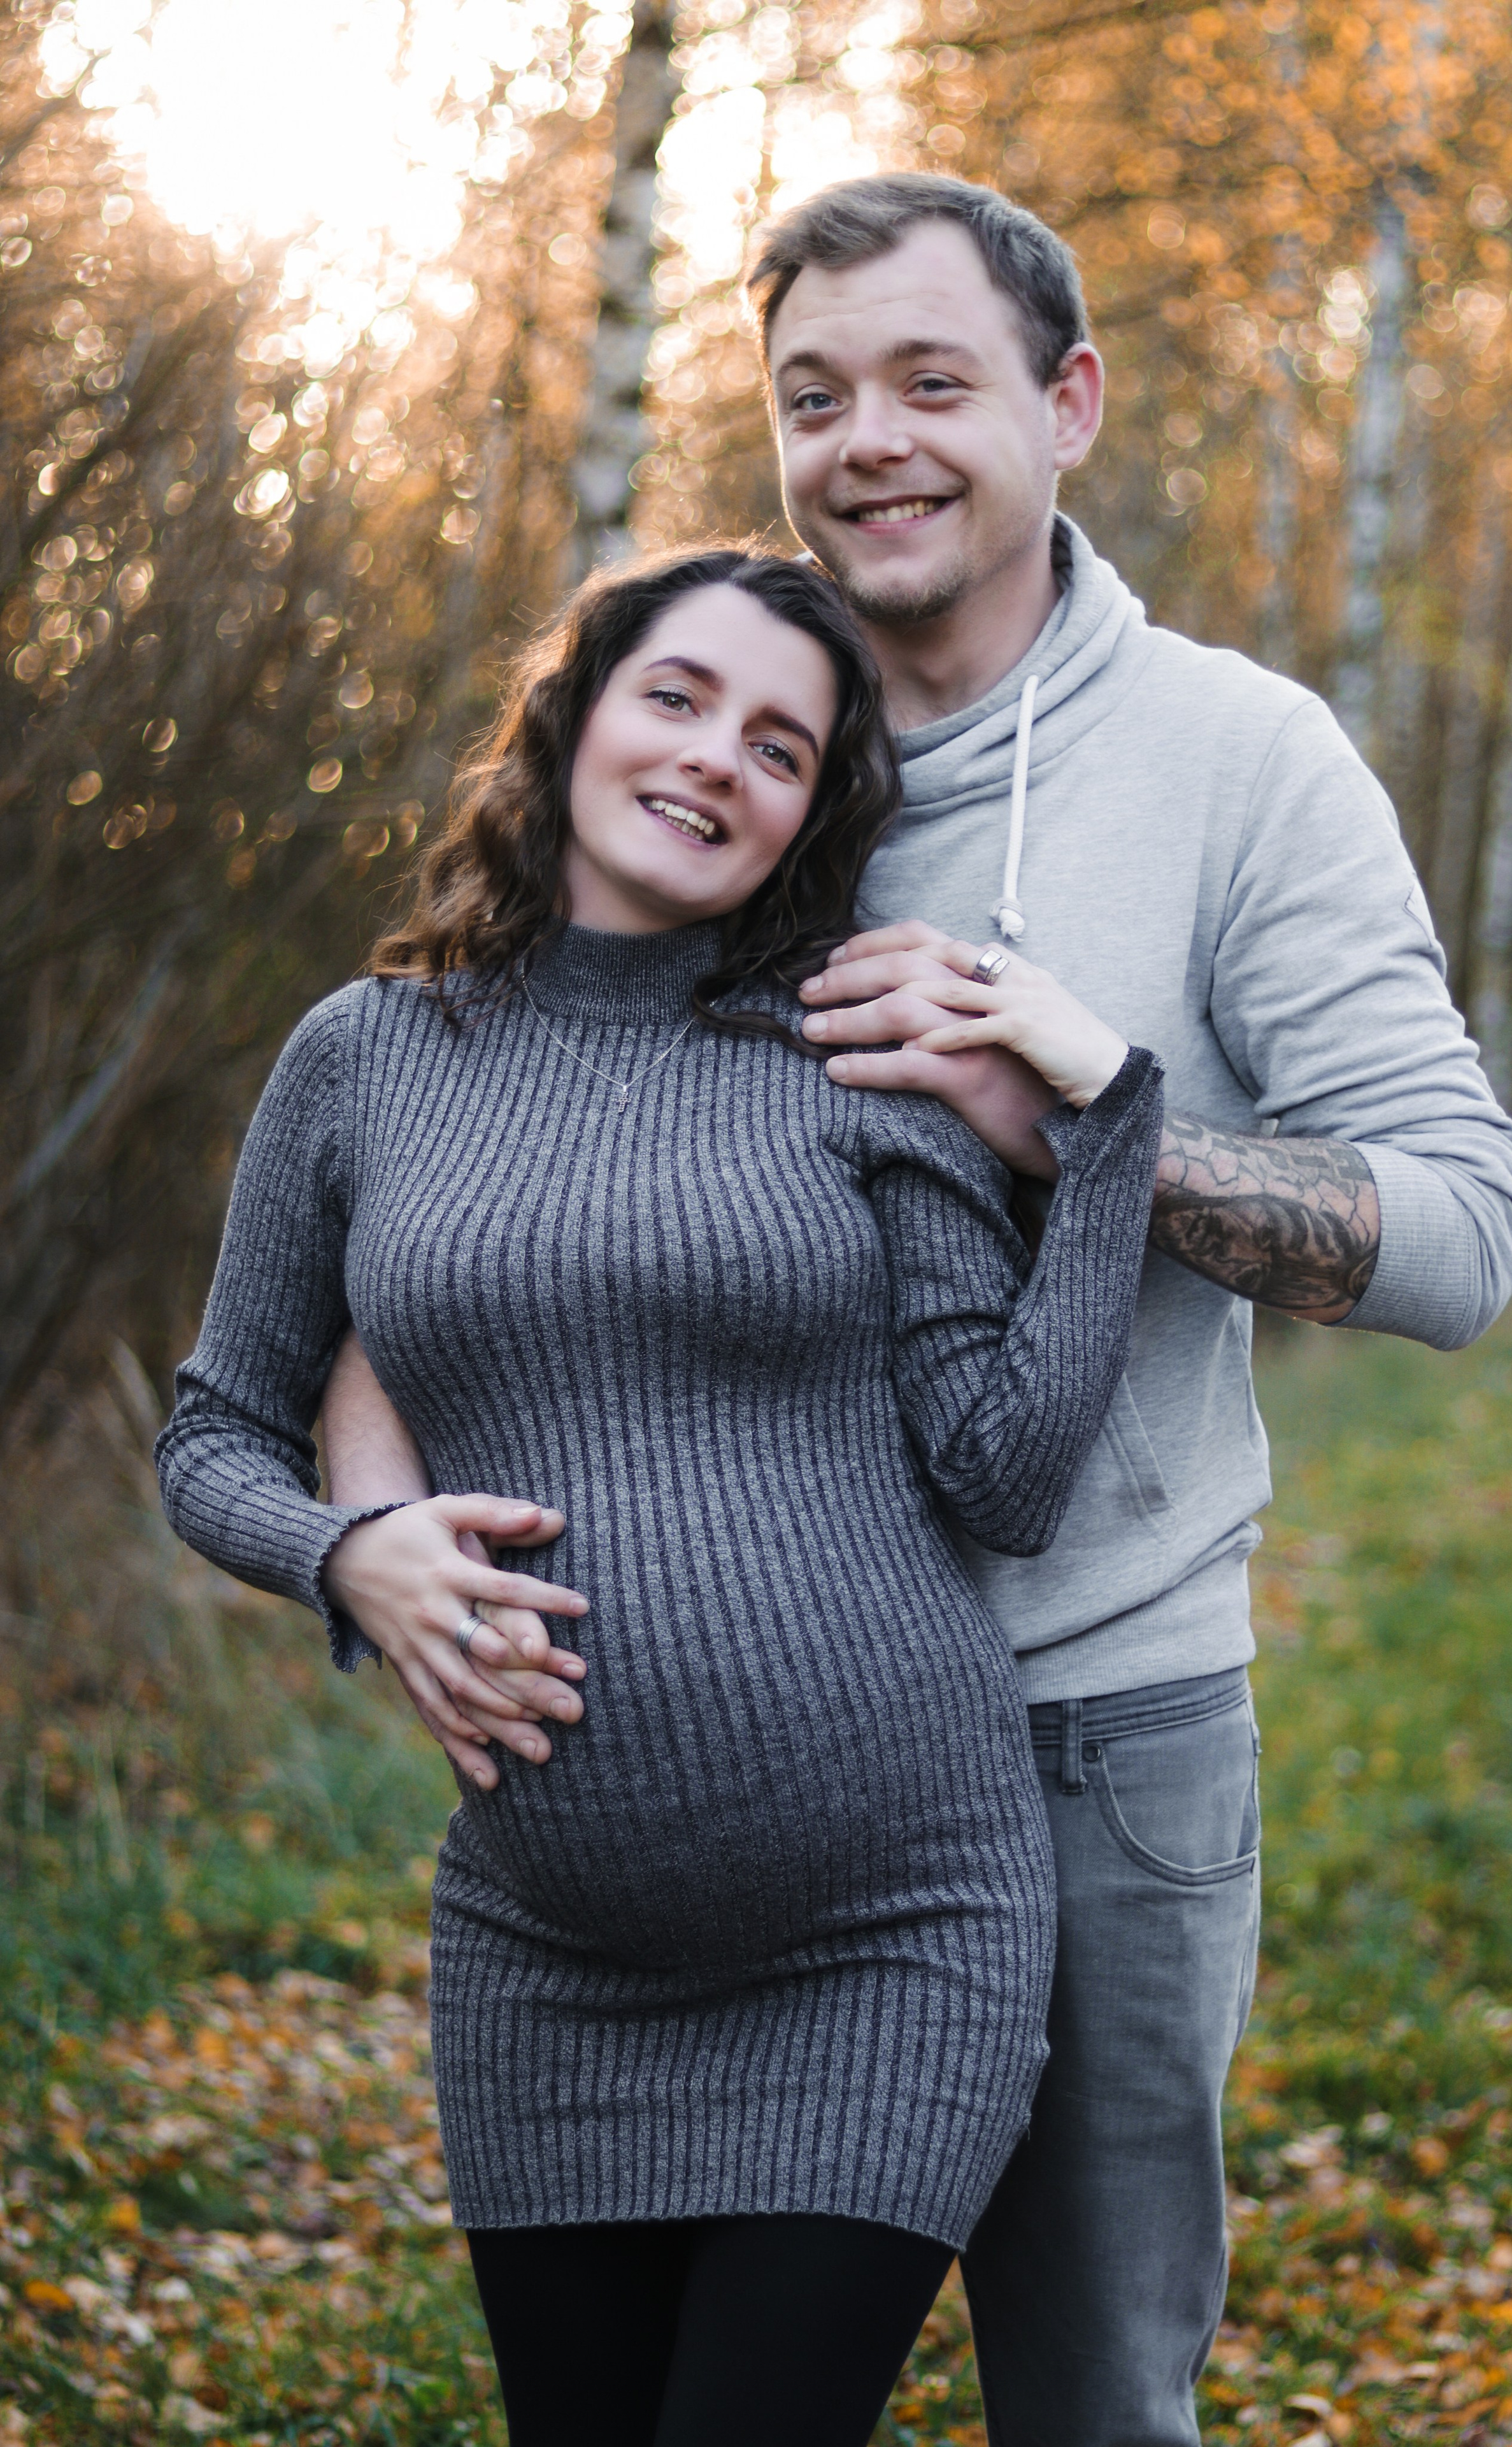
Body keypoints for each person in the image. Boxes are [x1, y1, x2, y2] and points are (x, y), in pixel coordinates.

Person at [323, 176, 1512, 2447]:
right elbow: (447, 1169)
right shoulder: (724, 750)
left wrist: (1076, 1119)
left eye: (932, 380)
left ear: (1068, 406)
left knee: (1085, 2406)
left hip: (1086, 1744)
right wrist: (377, 1543)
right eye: (812, 393)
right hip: (674, 1789)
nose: (866, 436)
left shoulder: (1239, 763)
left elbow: (1460, 1236)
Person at [155, 546, 1166, 2447]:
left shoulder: (853, 1059)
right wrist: (349, 1550)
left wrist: (1111, 1135)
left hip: (895, 1932)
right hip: (548, 1957)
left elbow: (1008, 1475)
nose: (718, 761)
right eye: (680, 698)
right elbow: (214, 1434)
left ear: (812, 816)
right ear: (578, 711)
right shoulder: (367, 1060)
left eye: (782, 747)